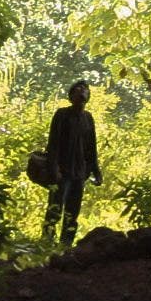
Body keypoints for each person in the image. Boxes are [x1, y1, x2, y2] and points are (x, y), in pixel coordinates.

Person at [42, 79, 102, 247]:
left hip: (79, 173)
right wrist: (54, 169)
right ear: (70, 96)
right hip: (62, 171)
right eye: (77, 90)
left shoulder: (88, 118)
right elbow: (53, 144)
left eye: (85, 90)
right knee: (55, 208)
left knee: (73, 211)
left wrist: (96, 170)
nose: (82, 92)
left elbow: (92, 146)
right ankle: (46, 243)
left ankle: (65, 245)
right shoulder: (62, 115)